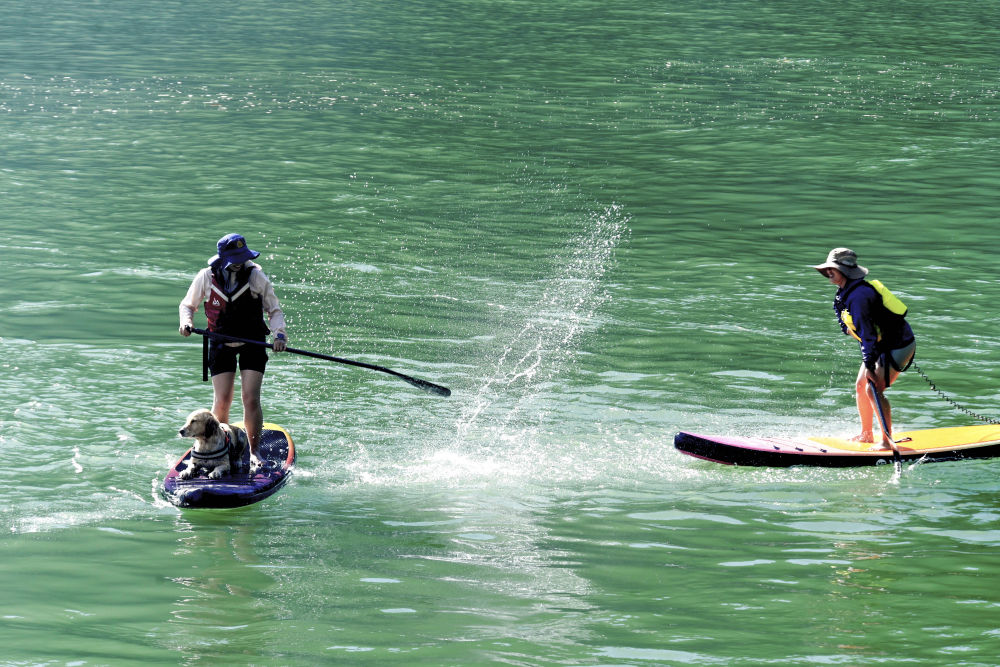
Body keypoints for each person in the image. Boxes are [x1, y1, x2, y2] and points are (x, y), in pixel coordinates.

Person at [179, 233, 288, 469]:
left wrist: (279, 335)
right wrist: (186, 322)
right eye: (234, 259)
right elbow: (187, 305)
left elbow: (274, 310)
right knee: (222, 402)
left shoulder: (256, 276)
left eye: (242, 257)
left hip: (253, 343)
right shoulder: (206, 277)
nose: (239, 263)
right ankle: (218, 450)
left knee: (250, 398)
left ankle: (254, 452)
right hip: (220, 344)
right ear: (222, 258)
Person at [813, 248, 916, 449]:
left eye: (832, 268)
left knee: (873, 388)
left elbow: (868, 335)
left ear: (845, 271)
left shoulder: (859, 296)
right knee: (861, 386)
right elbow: (851, 328)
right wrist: (869, 358)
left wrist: (869, 365)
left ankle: (887, 442)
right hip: (879, 346)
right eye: (827, 269)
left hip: (898, 345)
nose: (828, 272)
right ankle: (866, 434)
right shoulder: (843, 294)